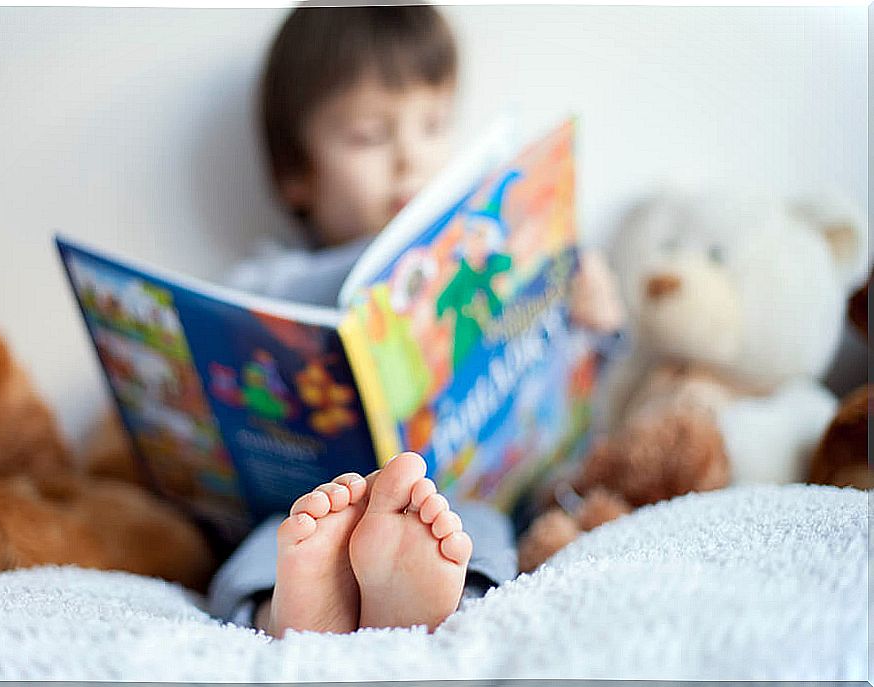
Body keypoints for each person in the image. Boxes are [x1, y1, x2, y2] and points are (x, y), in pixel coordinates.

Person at [209, 3, 623, 638]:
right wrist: (361, 275)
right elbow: (243, 301)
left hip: (455, 490)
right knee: (272, 543)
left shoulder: (487, 252)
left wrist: (596, 323)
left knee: (470, 530)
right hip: (309, 503)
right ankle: (291, 610)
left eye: (432, 125)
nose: (410, 158)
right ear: (297, 173)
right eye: (371, 136)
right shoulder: (277, 275)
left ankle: (433, 598)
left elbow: (561, 384)